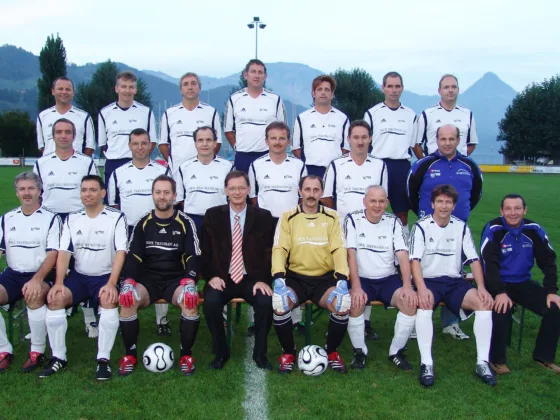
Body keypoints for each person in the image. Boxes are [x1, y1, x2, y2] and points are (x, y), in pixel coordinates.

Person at [39, 175, 127, 380]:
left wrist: (112, 283)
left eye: (93, 190)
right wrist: (58, 283)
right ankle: (58, 357)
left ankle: (103, 359)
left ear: (103, 193)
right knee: (55, 298)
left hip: (105, 276)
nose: (88, 194)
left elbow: (121, 252)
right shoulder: (72, 218)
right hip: (79, 277)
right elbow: (64, 252)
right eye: (84, 190)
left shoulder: (116, 217)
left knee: (108, 300)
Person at [409, 184, 496, 387]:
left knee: (483, 304)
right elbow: (414, 261)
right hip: (429, 281)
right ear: (432, 204)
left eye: (448, 202)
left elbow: (474, 260)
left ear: (454, 205)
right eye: (439, 201)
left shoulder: (461, 227)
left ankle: (482, 363)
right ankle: (426, 363)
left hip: (454, 282)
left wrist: (481, 288)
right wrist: (421, 288)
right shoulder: (421, 227)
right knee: (424, 306)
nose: (444, 206)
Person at [118, 175, 201, 377]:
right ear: (153, 195)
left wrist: (190, 281)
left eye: (166, 192)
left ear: (174, 195)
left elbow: (193, 255)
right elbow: (134, 255)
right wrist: (128, 281)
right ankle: (130, 355)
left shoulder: (185, 222)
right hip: (148, 281)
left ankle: (186, 355)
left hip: (176, 280)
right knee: (128, 301)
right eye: (158, 192)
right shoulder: (143, 222)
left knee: (190, 301)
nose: (162, 197)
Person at [407, 124, 483, 339]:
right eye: (443, 139)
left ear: (458, 140)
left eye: (451, 139)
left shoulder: (469, 165)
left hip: (457, 231)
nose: (447, 143)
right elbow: (410, 193)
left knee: (453, 273)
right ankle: (418, 321)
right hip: (428, 229)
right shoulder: (424, 164)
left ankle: (451, 323)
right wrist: (426, 215)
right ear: (436, 140)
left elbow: (476, 194)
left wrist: (460, 213)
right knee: (423, 272)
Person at [271, 175, 350, 374]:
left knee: (342, 304)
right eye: (307, 189)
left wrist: (342, 279)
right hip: (295, 278)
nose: (311, 194)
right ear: (300, 191)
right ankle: (289, 353)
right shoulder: (288, 217)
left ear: (321, 192)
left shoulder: (332, 216)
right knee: (280, 304)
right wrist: (278, 277)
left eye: (316, 190)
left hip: (324, 280)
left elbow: (339, 248)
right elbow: (279, 248)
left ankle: (331, 351)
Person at [33, 118, 100, 338]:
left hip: (79, 221)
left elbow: (94, 192)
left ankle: (90, 320)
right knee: (50, 267)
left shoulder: (86, 162)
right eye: (59, 132)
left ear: (74, 136)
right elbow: (36, 194)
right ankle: (46, 315)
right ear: (52, 136)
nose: (63, 136)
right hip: (50, 222)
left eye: (68, 132)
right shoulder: (42, 163)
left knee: (84, 268)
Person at [201, 171, 275, 369]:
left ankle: (260, 355)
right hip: (222, 277)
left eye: (241, 188)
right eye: (232, 188)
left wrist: (264, 280)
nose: (237, 192)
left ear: (249, 189)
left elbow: (270, 252)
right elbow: (204, 252)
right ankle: (221, 353)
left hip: (252, 278)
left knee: (265, 302)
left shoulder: (263, 216)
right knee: (211, 302)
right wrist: (211, 277)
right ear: (225, 190)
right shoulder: (213, 215)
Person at [481, 194, 560, 374]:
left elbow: (549, 261)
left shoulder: (534, 230)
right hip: (498, 283)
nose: (513, 213)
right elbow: (489, 264)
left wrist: (551, 291)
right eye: (508, 209)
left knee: (555, 308)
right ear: (501, 211)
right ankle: (496, 360)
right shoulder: (494, 229)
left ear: (525, 210)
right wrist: (499, 292)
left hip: (523, 282)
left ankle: (543, 357)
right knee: (501, 309)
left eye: (517, 208)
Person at [107, 128, 171, 336]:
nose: (140, 147)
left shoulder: (162, 171)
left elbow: (169, 203)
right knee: (127, 273)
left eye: (144, 143)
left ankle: (162, 320)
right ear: (129, 146)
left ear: (150, 145)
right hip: (129, 231)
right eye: (135, 143)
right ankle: (124, 314)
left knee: (160, 270)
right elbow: (113, 206)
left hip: (158, 228)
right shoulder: (119, 173)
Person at [345, 185, 417, 370]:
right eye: (373, 201)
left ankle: (396, 352)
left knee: (409, 303)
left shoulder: (394, 222)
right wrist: (355, 286)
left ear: (387, 203)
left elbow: (403, 255)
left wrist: (407, 286)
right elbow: (350, 254)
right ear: (365, 202)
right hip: (362, 279)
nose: (377, 205)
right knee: (355, 303)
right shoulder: (353, 219)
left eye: (381, 201)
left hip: (388, 279)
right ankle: (359, 352)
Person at [0, 173, 61, 373]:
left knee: (33, 294)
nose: (27, 193)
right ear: (17, 193)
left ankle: (37, 351)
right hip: (13, 274)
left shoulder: (51, 219)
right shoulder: (7, 219)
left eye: (31, 188)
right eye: (22, 189)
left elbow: (53, 254)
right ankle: (4, 350)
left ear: (39, 191)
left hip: (42, 273)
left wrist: (37, 279)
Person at [363, 71, 416, 226]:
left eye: (397, 86)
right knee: (374, 207)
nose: (394, 90)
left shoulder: (411, 115)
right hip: (377, 164)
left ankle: (403, 240)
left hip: (401, 166)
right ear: (383, 88)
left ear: (402, 88)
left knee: (401, 211)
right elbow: (365, 142)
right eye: (390, 86)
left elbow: (414, 144)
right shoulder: (372, 113)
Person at [224, 59, 287, 174]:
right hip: (243, 157)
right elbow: (228, 130)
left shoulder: (275, 99)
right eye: (253, 71)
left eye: (260, 72)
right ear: (245, 75)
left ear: (265, 76)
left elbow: (283, 129)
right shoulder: (234, 99)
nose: (257, 75)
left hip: (268, 156)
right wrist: (237, 146)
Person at [98, 71, 157, 190]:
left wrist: (140, 158)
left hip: (138, 163)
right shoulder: (104, 113)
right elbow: (103, 145)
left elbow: (152, 142)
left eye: (131, 87)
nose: (127, 90)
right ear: (116, 88)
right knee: (113, 200)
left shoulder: (146, 112)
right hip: (113, 164)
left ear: (135, 90)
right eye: (124, 86)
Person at [322, 120, 388, 222]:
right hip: (342, 225)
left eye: (364, 137)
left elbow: (383, 199)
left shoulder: (380, 165)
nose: (360, 142)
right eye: (356, 137)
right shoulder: (335, 165)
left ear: (370, 138)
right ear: (348, 139)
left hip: (370, 226)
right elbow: (326, 198)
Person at [159, 72, 222, 176]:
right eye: (185, 84)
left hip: (203, 171)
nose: (190, 87)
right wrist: (173, 162)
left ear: (199, 88)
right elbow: (163, 144)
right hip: (177, 171)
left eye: (193, 83)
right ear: (181, 90)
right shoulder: (169, 114)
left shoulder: (211, 112)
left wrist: (206, 161)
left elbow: (218, 142)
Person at [175, 126, 232, 234]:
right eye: (200, 140)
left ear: (215, 143)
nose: (204, 144)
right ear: (195, 143)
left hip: (219, 221)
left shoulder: (228, 167)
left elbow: (231, 198)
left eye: (208, 140)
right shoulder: (184, 168)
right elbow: (181, 199)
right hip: (192, 221)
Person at [291, 75, 349, 178]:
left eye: (327, 90)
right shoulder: (302, 118)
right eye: (319, 89)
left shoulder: (343, 118)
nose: (323, 92)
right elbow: (296, 148)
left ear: (332, 94)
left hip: (335, 170)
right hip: (310, 170)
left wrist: (337, 164)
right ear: (313, 93)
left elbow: (346, 148)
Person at [249, 121, 307, 223]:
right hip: (264, 222)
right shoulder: (256, 165)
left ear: (288, 141)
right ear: (266, 141)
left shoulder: (299, 166)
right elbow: (253, 196)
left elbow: (303, 196)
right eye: (273, 138)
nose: (277, 142)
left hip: (291, 221)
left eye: (282, 138)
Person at [413, 74, 478, 158]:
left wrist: (459, 159)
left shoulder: (468, 114)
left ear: (458, 90)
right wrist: (426, 162)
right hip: (434, 164)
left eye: (454, 87)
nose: (450, 90)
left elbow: (472, 144)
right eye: (446, 87)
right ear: (439, 91)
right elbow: (416, 145)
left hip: (458, 164)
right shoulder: (427, 114)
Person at [36, 76, 95, 156]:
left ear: (73, 92)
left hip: (76, 163)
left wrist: (80, 161)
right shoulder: (42, 116)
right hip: (50, 163)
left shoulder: (84, 117)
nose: (64, 92)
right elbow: (42, 146)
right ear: (53, 91)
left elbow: (90, 147)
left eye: (68, 89)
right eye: (60, 89)